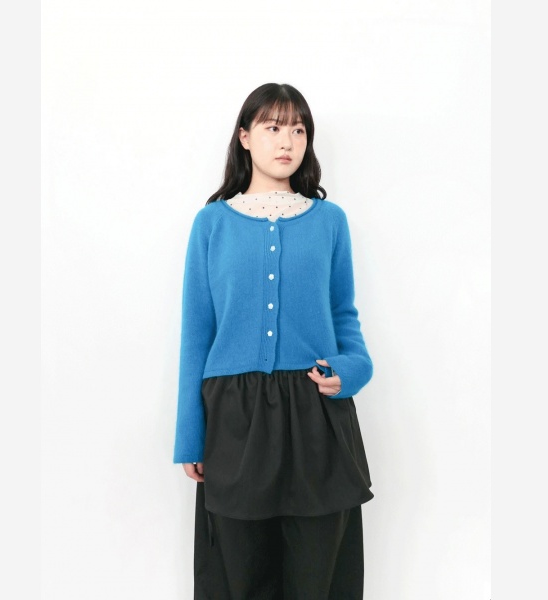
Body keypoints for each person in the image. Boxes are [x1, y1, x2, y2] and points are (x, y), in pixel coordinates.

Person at [173, 82, 375, 600]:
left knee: (316, 574)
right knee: (240, 574)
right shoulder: (211, 224)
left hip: (315, 413)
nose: (287, 141)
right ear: (244, 137)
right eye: (273, 127)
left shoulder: (330, 222)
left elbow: (344, 315)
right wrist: (190, 436)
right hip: (234, 419)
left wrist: (352, 370)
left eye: (299, 130)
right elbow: (196, 333)